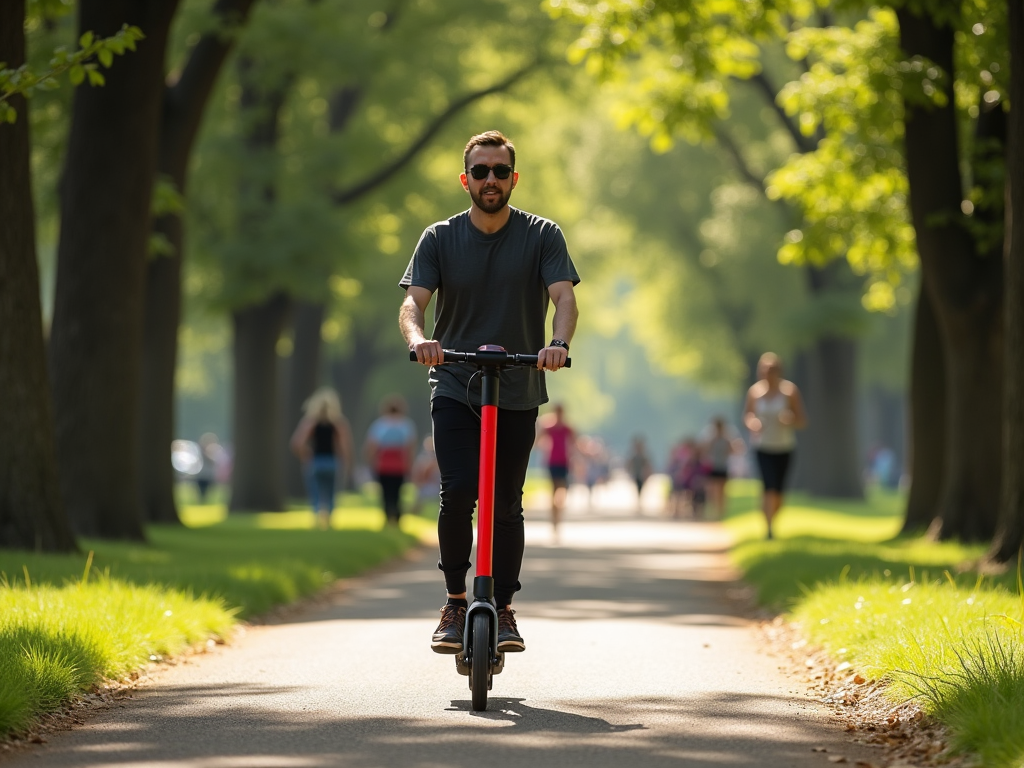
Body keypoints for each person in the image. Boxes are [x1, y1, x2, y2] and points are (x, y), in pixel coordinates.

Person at [399, 130, 579, 655]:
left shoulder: (542, 235)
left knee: (505, 505)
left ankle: (502, 607)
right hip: (455, 382)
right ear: (466, 180)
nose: (491, 180)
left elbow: (563, 295)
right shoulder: (438, 238)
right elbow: (413, 303)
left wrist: (558, 343)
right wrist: (421, 340)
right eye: (481, 171)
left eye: (500, 171)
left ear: (514, 178)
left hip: (519, 385)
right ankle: (456, 600)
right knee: (457, 493)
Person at [743, 352, 807, 539]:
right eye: (763, 370)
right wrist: (753, 423)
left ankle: (771, 517)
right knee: (768, 487)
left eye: (771, 370)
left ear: (779, 371)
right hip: (762, 446)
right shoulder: (754, 392)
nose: (767, 374)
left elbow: (802, 420)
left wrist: (790, 419)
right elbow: (747, 416)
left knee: (779, 492)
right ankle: (769, 528)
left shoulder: (789, 391)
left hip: (785, 447)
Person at [290, 387, 353, 530]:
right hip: (332, 462)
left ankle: (317, 517)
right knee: (331, 493)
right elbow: (344, 447)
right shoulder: (338, 423)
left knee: (316, 492)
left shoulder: (311, 423)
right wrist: (347, 463)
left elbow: (297, 443)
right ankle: (329, 520)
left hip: (316, 462)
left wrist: (306, 455)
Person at [364, 395, 418, 526]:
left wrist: (370, 461)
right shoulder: (406, 425)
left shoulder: (379, 424)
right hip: (399, 464)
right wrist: (409, 465)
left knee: (385, 492)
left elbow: (372, 446)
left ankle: (388, 515)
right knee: (397, 492)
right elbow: (409, 447)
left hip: (383, 464)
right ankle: (397, 516)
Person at [537, 403, 576, 537]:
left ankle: (558, 516)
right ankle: (554, 521)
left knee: (562, 491)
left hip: (564, 462)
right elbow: (538, 441)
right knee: (554, 491)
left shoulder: (567, 428)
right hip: (553, 462)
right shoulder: (549, 427)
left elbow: (574, 443)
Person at [701, 417, 737, 520]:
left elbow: (733, 451)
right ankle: (715, 511)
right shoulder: (711, 439)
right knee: (713, 491)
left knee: (722, 491)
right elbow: (705, 450)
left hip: (723, 466)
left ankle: (721, 512)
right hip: (713, 467)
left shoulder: (727, 439)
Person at [410, 436, 441, 516]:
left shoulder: (439, 459)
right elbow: (418, 473)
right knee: (419, 495)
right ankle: (414, 512)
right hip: (427, 486)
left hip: (438, 486)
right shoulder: (422, 458)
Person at [626, 435, 652, 514]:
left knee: (641, 488)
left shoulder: (644, 456)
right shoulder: (634, 456)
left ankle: (639, 502)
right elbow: (629, 464)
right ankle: (638, 502)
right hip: (636, 474)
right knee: (638, 488)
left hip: (642, 474)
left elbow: (648, 465)